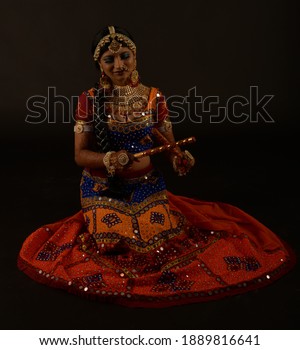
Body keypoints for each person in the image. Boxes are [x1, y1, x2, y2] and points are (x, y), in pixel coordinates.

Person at [18, 25, 295, 307]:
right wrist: (109, 159)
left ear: (135, 57)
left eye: (125, 55)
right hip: (103, 187)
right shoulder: (89, 99)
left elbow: (168, 143)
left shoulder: (154, 97)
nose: (119, 64)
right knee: (111, 244)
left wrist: (178, 157)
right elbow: (80, 155)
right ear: (99, 65)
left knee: (161, 242)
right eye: (109, 59)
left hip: (147, 185)